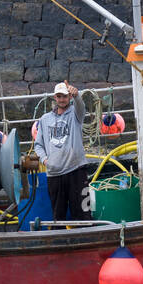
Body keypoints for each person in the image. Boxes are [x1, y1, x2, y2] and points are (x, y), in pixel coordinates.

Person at [33, 81, 91, 222]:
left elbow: (81, 107)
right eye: (59, 96)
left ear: (69, 97)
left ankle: (87, 236)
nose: (62, 99)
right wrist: (45, 160)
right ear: (55, 97)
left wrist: (77, 96)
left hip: (76, 170)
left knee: (83, 212)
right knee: (58, 215)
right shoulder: (45, 119)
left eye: (64, 96)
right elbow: (38, 145)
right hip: (54, 173)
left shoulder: (76, 114)